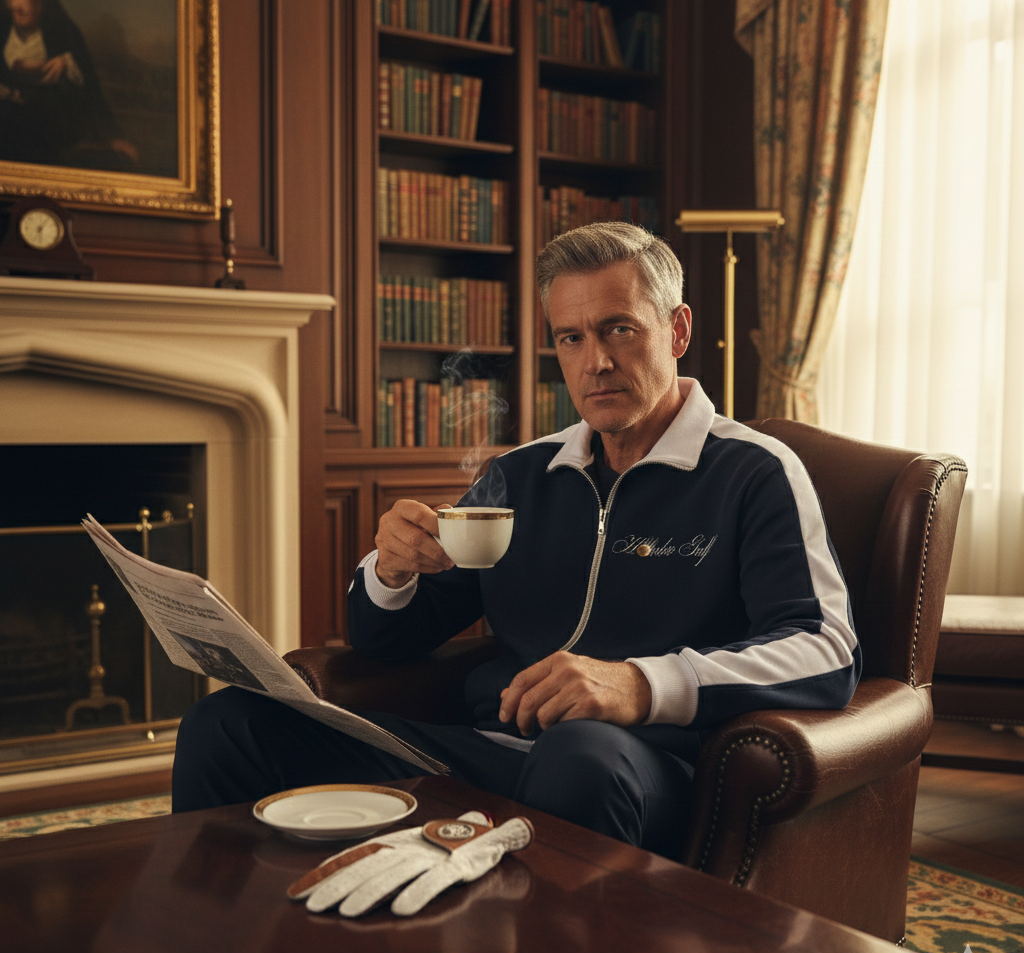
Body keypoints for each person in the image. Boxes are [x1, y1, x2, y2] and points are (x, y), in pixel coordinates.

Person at [172, 222, 860, 859]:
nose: (595, 363)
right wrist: (392, 570)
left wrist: (642, 684)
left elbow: (825, 650)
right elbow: (386, 642)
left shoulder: (753, 472)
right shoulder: (524, 475)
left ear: (677, 330)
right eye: (570, 338)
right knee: (227, 723)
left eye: (619, 330)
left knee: (578, 757)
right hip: (484, 752)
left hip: (645, 761)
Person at [0, 0, 137, 168]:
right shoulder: (3, 25)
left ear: (40, 5)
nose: (18, 10)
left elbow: (90, 84)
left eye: (26, 6)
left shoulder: (61, 28)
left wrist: (67, 62)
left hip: (50, 126)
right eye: (12, 6)